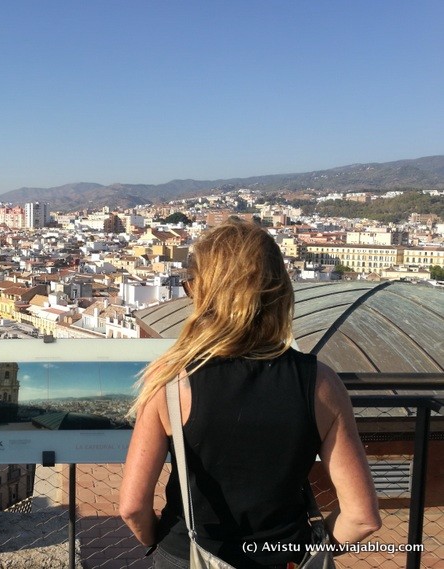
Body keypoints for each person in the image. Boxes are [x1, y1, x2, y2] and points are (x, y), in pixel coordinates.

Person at [119, 217, 381, 568]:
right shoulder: (320, 384)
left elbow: (132, 507)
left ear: (200, 292)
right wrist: (313, 549)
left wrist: (162, 542)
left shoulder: (170, 381)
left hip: (186, 556)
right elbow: (363, 517)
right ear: (279, 289)